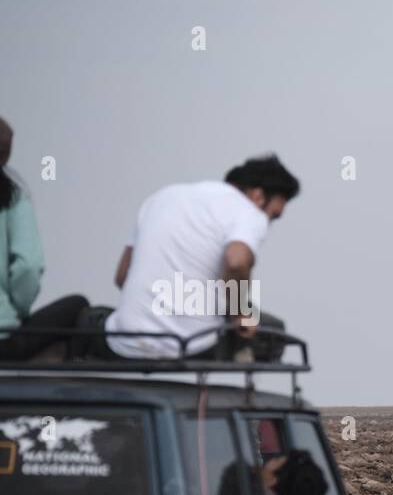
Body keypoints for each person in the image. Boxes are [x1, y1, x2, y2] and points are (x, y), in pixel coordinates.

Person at [83, 154, 300, 360]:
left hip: (124, 343)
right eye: (273, 215)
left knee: (88, 316)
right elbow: (236, 262)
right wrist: (239, 313)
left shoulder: (160, 198)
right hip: (193, 346)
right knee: (271, 330)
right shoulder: (248, 211)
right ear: (258, 196)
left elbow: (122, 277)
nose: (269, 223)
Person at [0, 117, 89, 361]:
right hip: (4, 340)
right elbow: (28, 266)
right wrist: (15, 311)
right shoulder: (11, 196)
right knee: (78, 304)